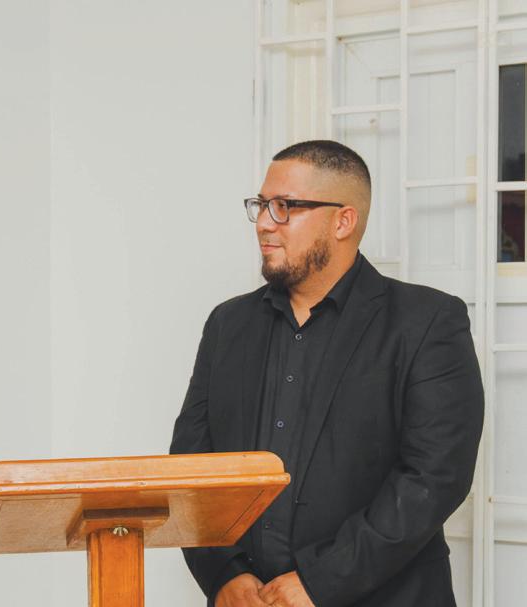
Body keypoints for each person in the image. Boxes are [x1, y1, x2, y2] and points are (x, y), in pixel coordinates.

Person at [169, 140, 483, 607]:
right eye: (260, 205)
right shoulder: (227, 324)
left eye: (284, 206)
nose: (263, 223)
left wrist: (320, 582)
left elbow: (433, 479)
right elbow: (192, 467)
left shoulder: (427, 321)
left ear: (343, 221)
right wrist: (224, 574)